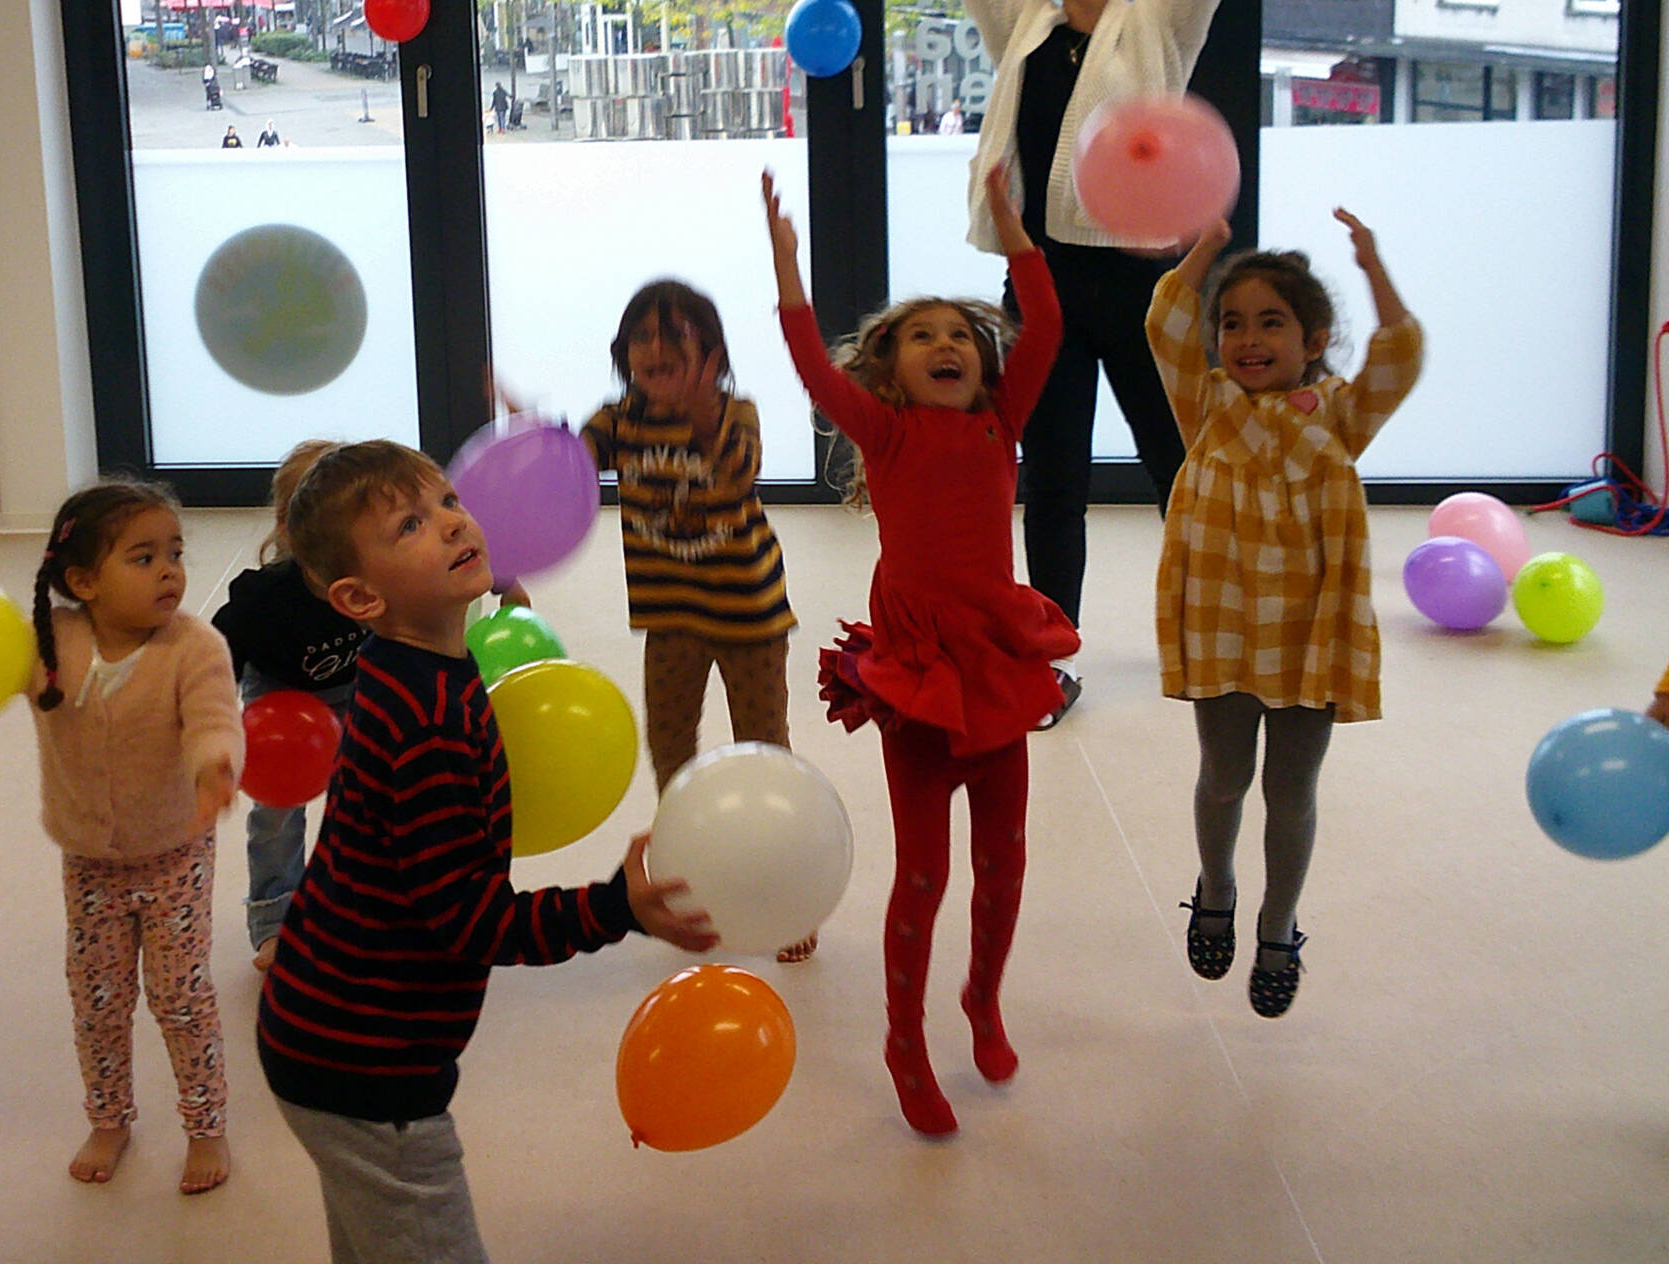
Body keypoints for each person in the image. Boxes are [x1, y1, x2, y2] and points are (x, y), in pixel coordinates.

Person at [256, 440, 716, 1264]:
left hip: (327, 1035)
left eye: (444, 502)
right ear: (360, 595)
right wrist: (616, 907)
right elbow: (471, 921)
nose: (451, 522)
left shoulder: (422, 664)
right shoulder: (424, 721)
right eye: (410, 525)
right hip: (366, 1068)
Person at [942, 0, 1255, 721]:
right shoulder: (1020, 31)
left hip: (1146, 285)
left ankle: (1219, 637)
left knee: (1181, 470)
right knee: (1057, 482)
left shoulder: (1159, 29)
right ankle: (1049, 655)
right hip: (1041, 289)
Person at [763, 166, 1079, 1136]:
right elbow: (816, 372)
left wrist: (1019, 236)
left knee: (1007, 860)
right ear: (890, 369)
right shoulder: (888, 434)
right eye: (919, 335)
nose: (944, 343)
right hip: (917, 679)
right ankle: (904, 1041)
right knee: (925, 875)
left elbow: (1050, 327)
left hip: (993, 664)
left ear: (983, 365)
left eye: (958, 335)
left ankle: (981, 1000)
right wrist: (789, 274)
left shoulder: (1001, 421)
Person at [1148, 208, 1422, 1019]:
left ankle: (1277, 926)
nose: (1248, 338)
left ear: (1314, 338)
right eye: (1233, 323)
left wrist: (1371, 264)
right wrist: (1203, 240)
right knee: (1225, 779)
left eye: (1272, 322)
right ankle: (1218, 890)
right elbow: (1166, 317)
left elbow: (1400, 351)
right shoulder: (1206, 404)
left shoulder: (1340, 414)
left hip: (1311, 633)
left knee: (1292, 792)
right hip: (1224, 626)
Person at [577, 280, 813, 963]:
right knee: (672, 745)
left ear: (710, 355)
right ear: (625, 355)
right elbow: (570, 469)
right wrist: (532, 439)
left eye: (676, 336)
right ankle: (690, 874)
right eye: (642, 338)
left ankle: (788, 890)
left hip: (749, 612)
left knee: (764, 747)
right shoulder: (617, 420)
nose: (657, 349)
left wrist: (704, 418)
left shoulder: (736, 413)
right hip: (671, 614)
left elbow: (737, 476)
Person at [25, 478, 243, 1194]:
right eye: (143, 557)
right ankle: (109, 1116)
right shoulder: (52, 643)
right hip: (88, 858)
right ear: (83, 580)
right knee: (96, 999)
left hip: (175, 850)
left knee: (181, 996)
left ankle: (205, 1125)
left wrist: (215, 765)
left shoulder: (194, 646)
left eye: (174, 553)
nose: (171, 570)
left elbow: (214, 716)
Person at [213, 440, 367, 972]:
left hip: (353, 692)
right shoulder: (264, 596)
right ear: (287, 527)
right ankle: (275, 920)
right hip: (278, 700)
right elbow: (218, 657)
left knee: (364, 802)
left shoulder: (376, 579)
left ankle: (353, 911)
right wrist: (213, 732)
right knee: (277, 815)